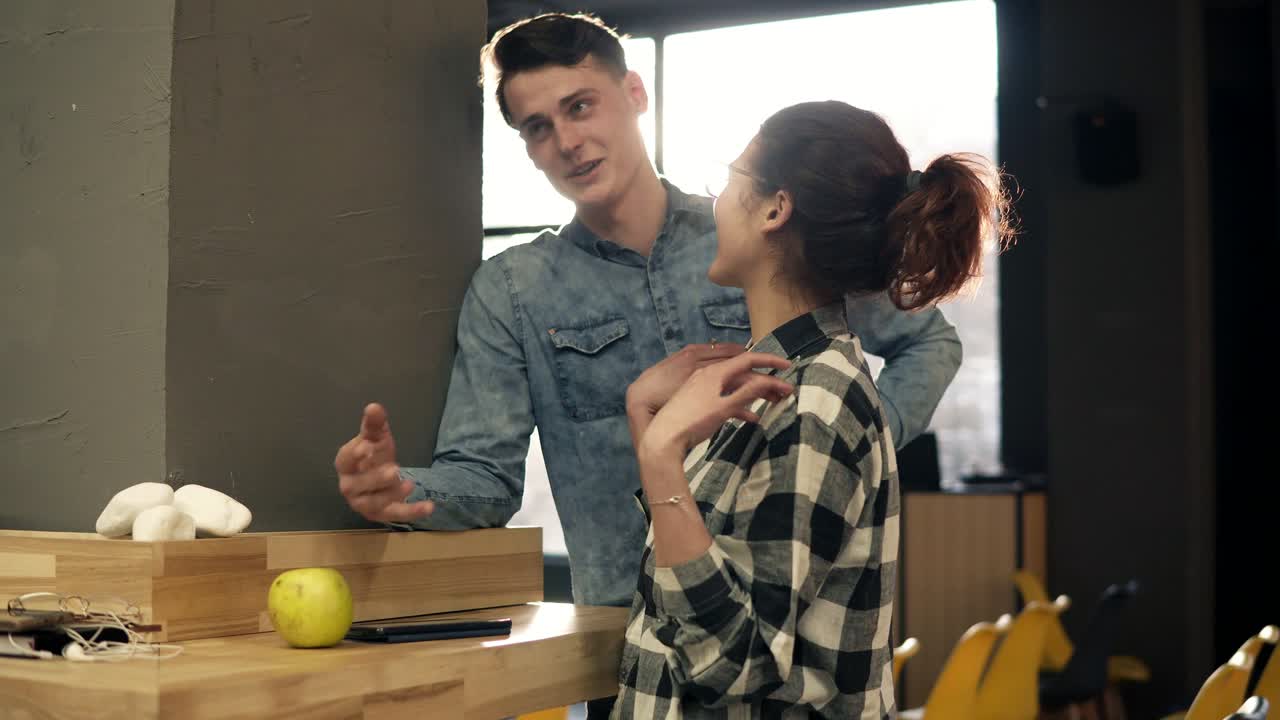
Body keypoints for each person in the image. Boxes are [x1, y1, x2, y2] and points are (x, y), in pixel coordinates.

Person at [333, 13, 962, 611]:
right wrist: (399, 491)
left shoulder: (756, 235)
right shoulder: (513, 290)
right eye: (538, 128)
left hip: (777, 614)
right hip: (623, 642)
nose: (568, 142)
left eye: (580, 106)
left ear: (635, 93)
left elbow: (929, 344)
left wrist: (853, 444)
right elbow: (484, 481)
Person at [610, 100, 1011, 719]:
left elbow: (731, 662)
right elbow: (685, 595)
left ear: (776, 208)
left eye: (732, 178)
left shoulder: (813, 401)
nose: (715, 201)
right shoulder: (775, 381)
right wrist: (645, 415)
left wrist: (661, 456)